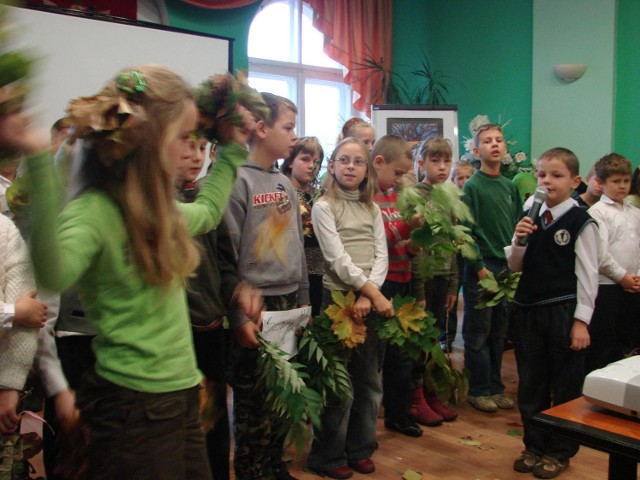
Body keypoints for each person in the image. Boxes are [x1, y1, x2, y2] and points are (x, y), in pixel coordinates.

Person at [1, 65, 252, 480]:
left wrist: (232, 150)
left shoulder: (159, 208)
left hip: (180, 394)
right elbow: (54, 272)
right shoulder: (96, 211)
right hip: (134, 408)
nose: (188, 151)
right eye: (181, 138)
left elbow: (207, 213)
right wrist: (39, 162)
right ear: (149, 142)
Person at [223, 92, 308, 480]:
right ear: (260, 127)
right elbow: (226, 254)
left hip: (288, 302)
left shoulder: (284, 184)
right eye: (287, 127)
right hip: (255, 307)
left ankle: (275, 466)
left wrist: (304, 303)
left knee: (281, 395)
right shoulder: (235, 180)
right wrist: (239, 314)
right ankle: (253, 471)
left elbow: (297, 251)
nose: (294, 136)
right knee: (253, 402)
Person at [507, 147, 599, 479]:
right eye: (542, 174)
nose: (547, 181)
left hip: (562, 310)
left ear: (575, 181)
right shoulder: (530, 214)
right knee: (531, 383)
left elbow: (588, 276)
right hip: (528, 310)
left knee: (564, 385)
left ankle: (560, 450)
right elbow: (516, 265)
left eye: (556, 175)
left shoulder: (581, 220)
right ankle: (533, 445)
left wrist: (581, 321)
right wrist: (519, 240)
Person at [307, 137, 393, 480]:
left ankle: (360, 448)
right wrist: (371, 293)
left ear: (366, 168)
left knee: (369, 381)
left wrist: (368, 296)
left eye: (358, 162)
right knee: (338, 384)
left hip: (367, 301)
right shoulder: (324, 206)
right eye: (344, 160)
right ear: (332, 166)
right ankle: (327, 456)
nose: (351, 167)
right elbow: (337, 260)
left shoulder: (372, 208)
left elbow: (381, 254)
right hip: (337, 301)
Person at [176, 134, 261, 480]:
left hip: (210, 330)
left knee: (212, 424)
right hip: (175, 336)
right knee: (180, 431)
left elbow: (224, 263)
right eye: (187, 147)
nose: (195, 157)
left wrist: (237, 290)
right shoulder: (153, 203)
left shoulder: (204, 199)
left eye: (201, 148)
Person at [461, 123, 522, 413]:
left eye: (498, 140)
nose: (494, 145)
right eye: (487, 141)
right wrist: (478, 267)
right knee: (479, 330)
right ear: (477, 150)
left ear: (505, 148)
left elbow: (518, 228)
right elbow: (465, 231)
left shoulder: (510, 187)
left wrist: (517, 263)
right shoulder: (472, 186)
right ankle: (478, 389)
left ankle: (496, 387)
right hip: (483, 267)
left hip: (507, 268)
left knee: (500, 331)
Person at [370, 134, 422, 438]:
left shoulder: (395, 196)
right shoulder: (370, 198)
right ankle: (369, 422)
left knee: (403, 354)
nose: (401, 179)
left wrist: (416, 239)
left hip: (404, 279)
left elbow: (403, 244)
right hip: (382, 284)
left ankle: (398, 414)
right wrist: (407, 227)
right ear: (378, 163)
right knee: (378, 355)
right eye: (398, 173)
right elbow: (379, 241)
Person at [408, 137, 459, 426]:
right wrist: (417, 290)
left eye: (446, 161)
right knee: (418, 341)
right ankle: (415, 398)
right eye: (435, 161)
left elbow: (450, 242)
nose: (442, 167)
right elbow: (416, 246)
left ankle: (431, 391)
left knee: (436, 339)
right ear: (421, 163)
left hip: (442, 278)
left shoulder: (448, 197)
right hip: (422, 280)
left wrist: (453, 284)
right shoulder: (415, 195)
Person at [586, 153, 640, 372]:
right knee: (604, 343)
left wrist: (635, 278)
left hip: (632, 286)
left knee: (625, 341)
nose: (622, 186)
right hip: (607, 287)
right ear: (601, 182)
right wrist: (623, 277)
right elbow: (601, 255)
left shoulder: (635, 212)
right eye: (616, 181)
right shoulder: (597, 212)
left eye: (626, 181)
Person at [0, 214, 47, 434]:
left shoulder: (5, 229)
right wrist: (11, 312)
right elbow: (22, 311)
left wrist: (9, 384)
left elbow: (28, 309)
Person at [281, 136, 325, 316]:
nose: (311, 166)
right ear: (290, 162)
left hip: (320, 271)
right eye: (305, 159)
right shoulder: (282, 192)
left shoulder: (323, 195)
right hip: (292, 270)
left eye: (316, 162)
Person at [443, 159, 475, 351]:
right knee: (451, 295)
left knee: (471, 294)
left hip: (470, 252)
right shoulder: (448, 201)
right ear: (453, 180)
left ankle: (469, 335)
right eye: (459, 178)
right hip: (454, 253)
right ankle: (446, 336)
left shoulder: (474, 198)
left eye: (467, 178)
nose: (463, 182)